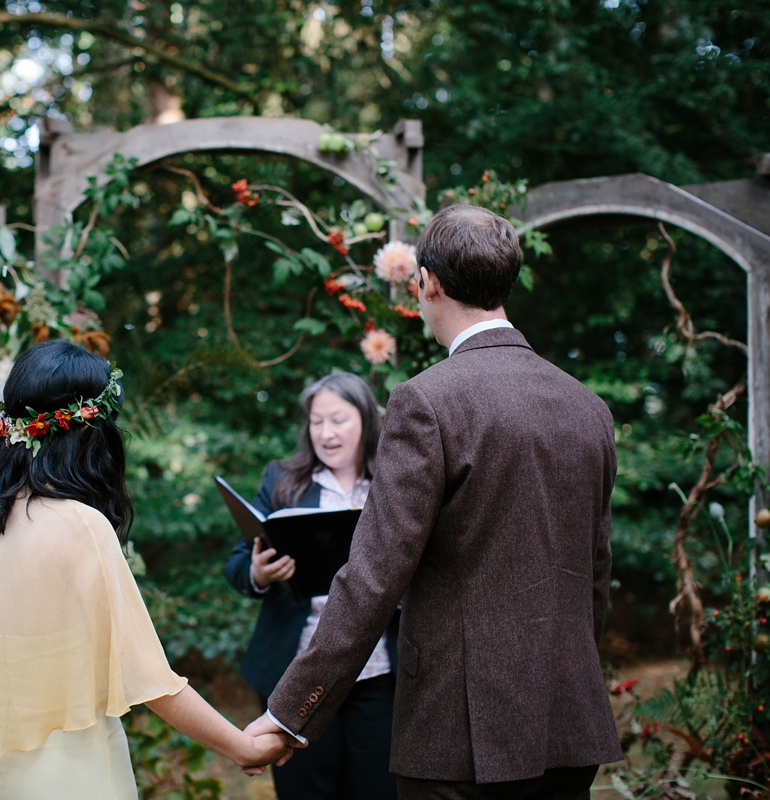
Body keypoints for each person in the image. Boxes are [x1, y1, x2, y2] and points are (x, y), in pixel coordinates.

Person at [246, 205, 623, 800]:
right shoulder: (587, 407)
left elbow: (375, 574)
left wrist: (292, 710)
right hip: (568, 718)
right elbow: (595, 574)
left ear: (428, 282)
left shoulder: (425, 401)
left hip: (459, 733)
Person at [0, 340, 293, 799]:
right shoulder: (82, 525)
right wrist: (241, 746)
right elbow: (150, 680)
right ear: (91, 432)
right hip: (73, 774)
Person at [225, 372, 398, 800]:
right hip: (298, 675)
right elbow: (237, 563)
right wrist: (259, 573)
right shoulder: (283, 481)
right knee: (306, 790)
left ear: (366, 421)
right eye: (316, 422)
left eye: (338, 420)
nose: (326, 433)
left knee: (379, 788)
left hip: (379, 673)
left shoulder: (394, 483)